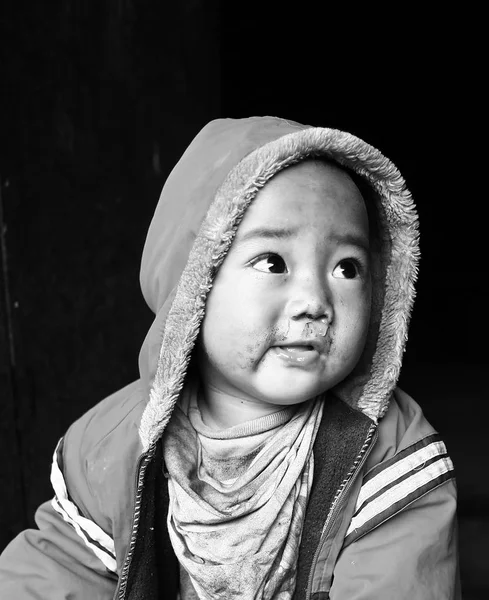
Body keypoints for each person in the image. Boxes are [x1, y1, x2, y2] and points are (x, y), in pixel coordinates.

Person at [0, 116, 460, 599]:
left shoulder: (391, 454)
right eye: (273, 262)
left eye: (347, 267)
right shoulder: (117, 445)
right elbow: (56, 571)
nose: (314, 300)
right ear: (193, 282)